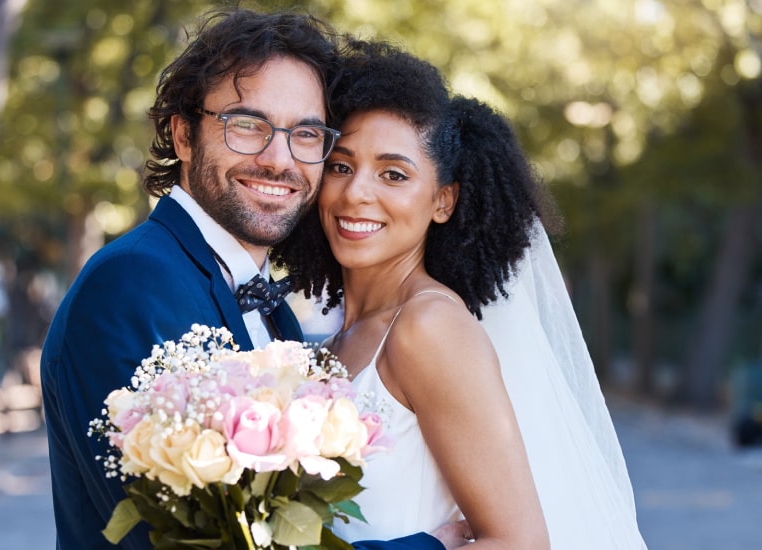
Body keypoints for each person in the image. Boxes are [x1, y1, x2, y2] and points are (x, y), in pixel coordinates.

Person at [40, 9, 462, 550]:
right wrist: (432, 546)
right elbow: (172, 540)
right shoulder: (131, 284)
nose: (277, 159)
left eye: (306, 134)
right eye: (246, 125)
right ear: (183, 134)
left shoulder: (271, 308)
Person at [273, 40, 648, 549]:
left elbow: (519, 542)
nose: (356, 192)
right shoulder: (333, 341)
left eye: (393, 174)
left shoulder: (428, 329)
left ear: (443, 201)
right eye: (340, 166)